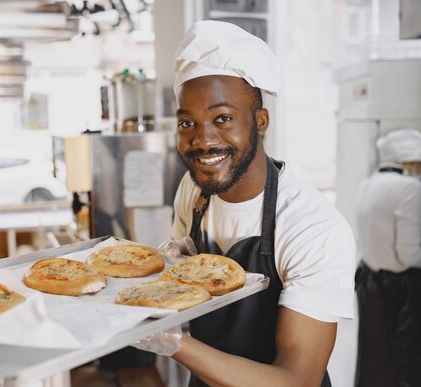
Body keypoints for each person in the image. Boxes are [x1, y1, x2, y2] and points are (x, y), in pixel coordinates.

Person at [134, 21, 356, 387]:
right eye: (187, 123)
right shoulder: (193, 194)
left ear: (261, 120)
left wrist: (173, 342)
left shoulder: (313, 229)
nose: (202, 140)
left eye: (223, 118)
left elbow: (297, 380)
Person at [354, 129, 421, 387]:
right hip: (401, 290)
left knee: (375, 357)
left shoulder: (369, 184)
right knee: (404, 362)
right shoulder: (410, 188)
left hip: (370, 283)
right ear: (410, 161)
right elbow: (408, 255)